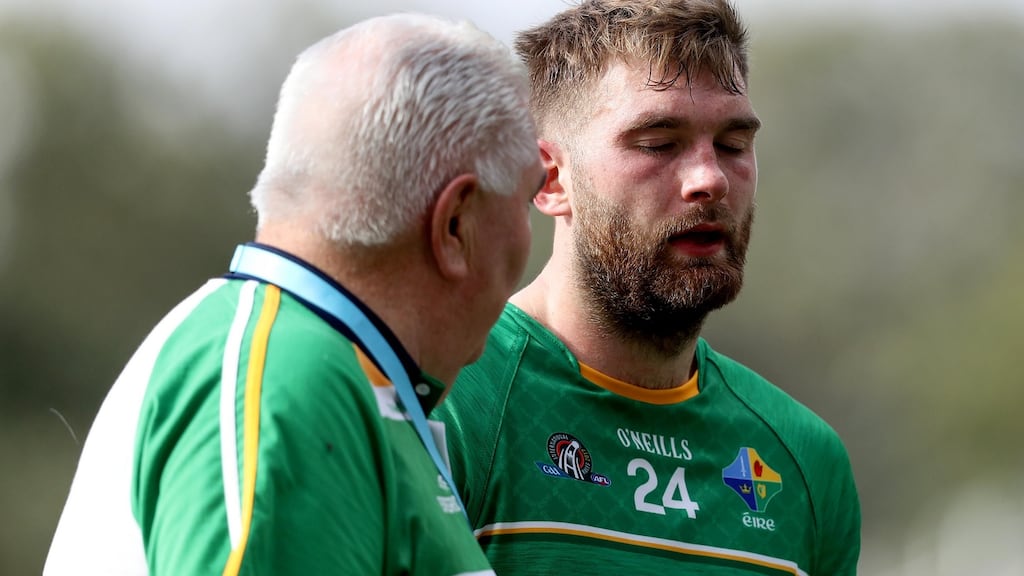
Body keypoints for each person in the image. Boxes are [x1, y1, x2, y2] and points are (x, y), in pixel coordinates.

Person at [44, 12, 543, 576]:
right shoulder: (291, 379)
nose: (531, 239)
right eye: (527, 202)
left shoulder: (327, 367)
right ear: (455, 224)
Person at [433, 1, 861, 574]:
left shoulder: (806, 460)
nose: (709, 178)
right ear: (549, 179)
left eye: (733, 144)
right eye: (659, 143)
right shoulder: (450, 406)